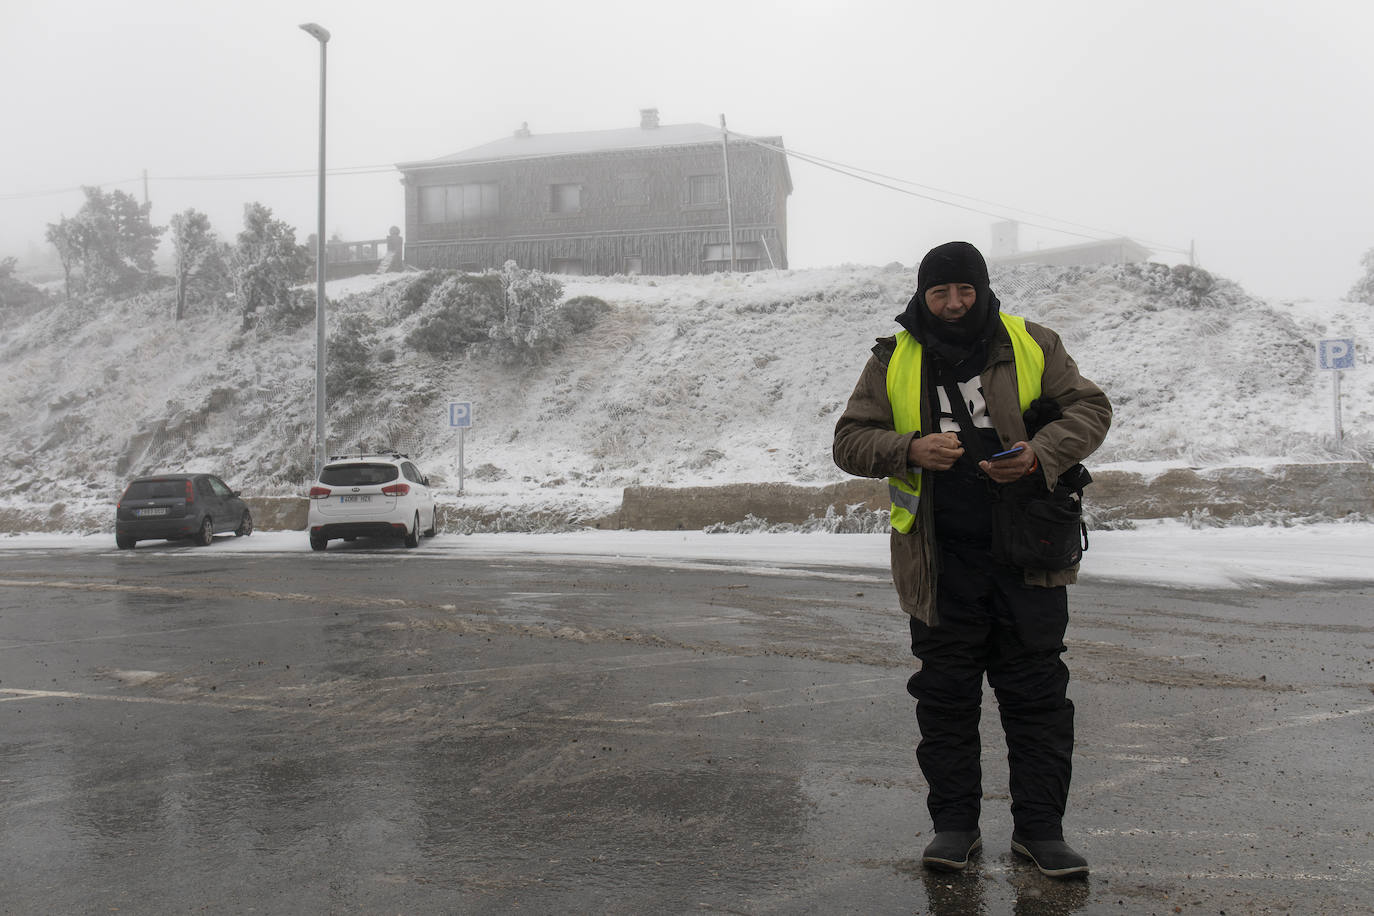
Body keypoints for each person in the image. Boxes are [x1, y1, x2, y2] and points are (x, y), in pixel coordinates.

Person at [832, 241, 1111, 878]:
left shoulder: (1033, 342)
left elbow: (1091, 408)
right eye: (940, 293)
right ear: (923, 296)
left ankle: (1041, 833)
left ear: (983, 290)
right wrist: (906, 448)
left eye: (965, 291)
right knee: (946, 699)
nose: (954, 304)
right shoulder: (892, 357)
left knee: (1038, 697)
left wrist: (1041, 452)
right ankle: (954, 828)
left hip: (1029, 552)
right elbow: (849, 439)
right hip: (939, 559)